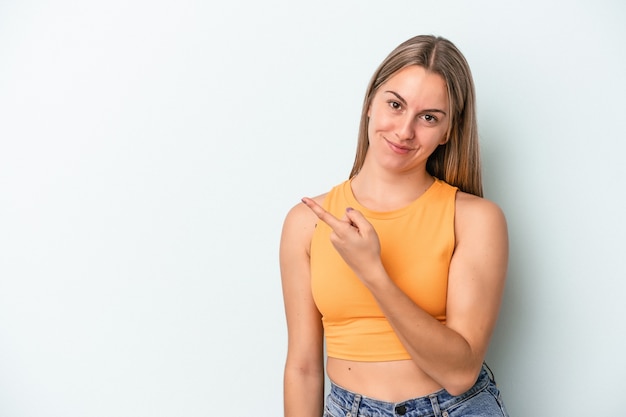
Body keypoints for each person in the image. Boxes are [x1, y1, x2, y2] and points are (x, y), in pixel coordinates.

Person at [279, 35, 509, 417]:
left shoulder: (475, 219)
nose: (404, 131)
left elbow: (460, 372)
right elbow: (302, 369)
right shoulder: (306, 223)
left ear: (449, 132)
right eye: (395, 105)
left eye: (429, 117)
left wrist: (374, 272)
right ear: (371, 103)